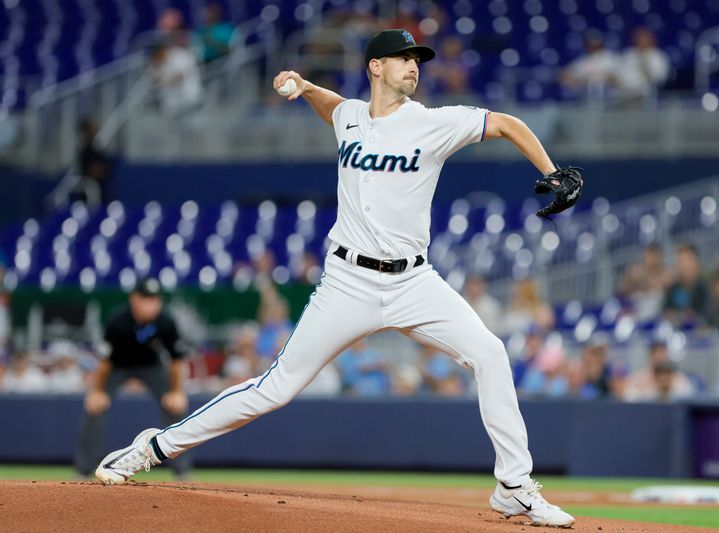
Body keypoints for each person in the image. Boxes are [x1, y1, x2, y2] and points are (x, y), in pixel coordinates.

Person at [95, 29, 575, 528]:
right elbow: (336, 109)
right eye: (402, 58)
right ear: (375, 67)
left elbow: (506, 123)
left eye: (417, 60)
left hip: (415, 282)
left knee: (490, 353)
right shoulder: (349, 116)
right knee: (274, 389)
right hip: (348, 283)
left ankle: (514, 487)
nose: (414, 66)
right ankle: (152, 447)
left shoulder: (434, 123)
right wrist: (304, 87)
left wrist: (552, 170)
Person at [75, 278, 191, 479]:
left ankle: (182, 471)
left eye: (154, 299)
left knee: (175, 407)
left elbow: (176, 361)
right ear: (134, 299)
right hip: (117, 366)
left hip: (152, 366)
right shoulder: (118, 321)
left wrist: (176, 391)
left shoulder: (165, 322)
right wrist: (97, 391)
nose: (150, 304)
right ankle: (83, 470)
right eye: (145, 298)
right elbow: (104, 362)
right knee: (95, 406)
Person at [617, 243, 672, 321]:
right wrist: (631, 280)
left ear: (659, 257)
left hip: (657, 311)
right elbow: (621, 290)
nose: (650, 259)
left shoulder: (666, 273)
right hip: (637, 308)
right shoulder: (637, 271)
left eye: (653, 256)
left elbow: (667, 287)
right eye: (648, 256)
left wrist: (648, 281)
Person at [623, 340, 693, 402]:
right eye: (656, 352)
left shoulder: (678, 378)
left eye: (662, 352)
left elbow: (687, 398)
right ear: (650, 355)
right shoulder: (638, 379)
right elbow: (629, 397)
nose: (659, 356)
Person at [614, 27, 670, 103]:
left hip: (645, 94)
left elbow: (658, 79)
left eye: (644, 38)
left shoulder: (658, 56)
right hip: (623, 93)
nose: (641, 41)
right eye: (639, 38)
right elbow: (617, 74)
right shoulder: (628, 54)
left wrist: (643, 61)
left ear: (651, 39)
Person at [559, 31, 619, 99]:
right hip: (588, 96)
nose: (593, 46)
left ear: (601, 43)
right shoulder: (584, 60)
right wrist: (578, 80)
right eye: (590, 44)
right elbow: (564, 74)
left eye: (596, 43)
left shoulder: (611, 57)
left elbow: (617, 78)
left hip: (610, 97)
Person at [663, 244, 708, 327]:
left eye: (687, 260)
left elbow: (707, 315)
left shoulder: (705, 287)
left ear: (696, 261)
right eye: (680, 261)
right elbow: (666, 312)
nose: (684, 265)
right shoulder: (673, 288)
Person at [76, 119, 113, 205]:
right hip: (88, 192)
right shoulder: (85, 151)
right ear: (86, 132)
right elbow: (90, 169)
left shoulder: (96, 149)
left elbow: (106, 167)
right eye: (91, 128)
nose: (94, 130)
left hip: (101, 191)